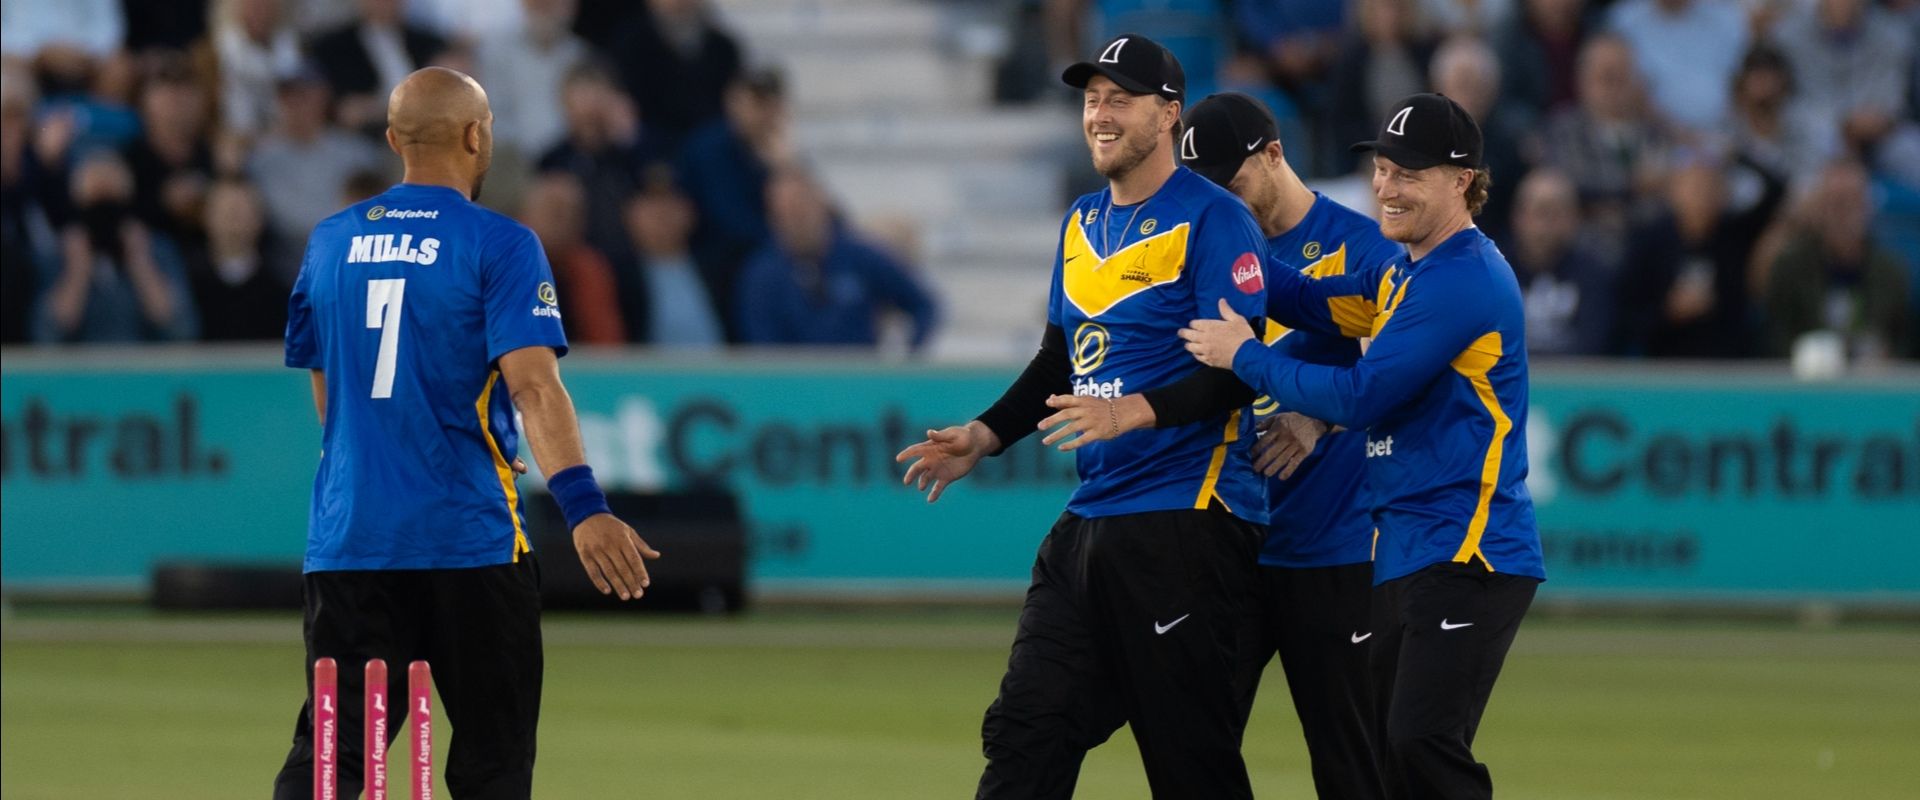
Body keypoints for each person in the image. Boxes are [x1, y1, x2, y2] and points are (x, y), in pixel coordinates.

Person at [895, 34, 1270, 799]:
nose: (1099, 113)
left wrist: (1137, 410)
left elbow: (1242, 372)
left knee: (1190, 760)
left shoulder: (1215, 220)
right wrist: (987, 435)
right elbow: (1058, 362)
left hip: (1186, 520)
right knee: (1025, 731)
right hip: (1091, 521)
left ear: (1168, 115)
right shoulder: (1080, 221)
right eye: (1091, 98)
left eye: (1119, 99)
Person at [270, 67, 659, 800]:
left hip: (351, 542)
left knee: (331, 760)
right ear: (478, 136)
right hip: (470, 541)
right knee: (491, 766)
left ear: (393, 141)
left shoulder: (328, 243)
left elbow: (327, 391)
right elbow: (534, 386)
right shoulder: (501, 244)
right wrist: (584, 507)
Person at [1179, 93, 1545, 799]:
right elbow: (1310, 300)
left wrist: (1244, 355)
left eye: (1407, 173)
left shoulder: (1461, 278)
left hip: (1470, 546)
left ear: (1461, 180)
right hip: (1407, 543)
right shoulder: (1402, 271)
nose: (1386, 186)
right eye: (1381, 169)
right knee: (1393, 757)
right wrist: (1225, 243)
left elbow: (1361, 395)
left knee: (1418, 744)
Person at [1176, 91, 1401, 800]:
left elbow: (1397, 374)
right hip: (1229, 539)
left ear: (1274, 154)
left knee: (1352, 761)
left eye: (1230, 181)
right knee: (1194, 751)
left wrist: (1317, 418)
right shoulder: (1199, 250)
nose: (1219, 200)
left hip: (1331, 545)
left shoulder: (1360, 246)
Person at [735, 168, 939, 350]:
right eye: (785, 213)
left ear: (819, 203)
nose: (795, 220)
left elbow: (922, 303)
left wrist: (909, 357)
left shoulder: (860, 257)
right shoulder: (762, 274)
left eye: (800, 209)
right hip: (796, 385)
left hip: (859, 380)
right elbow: (763, 348)